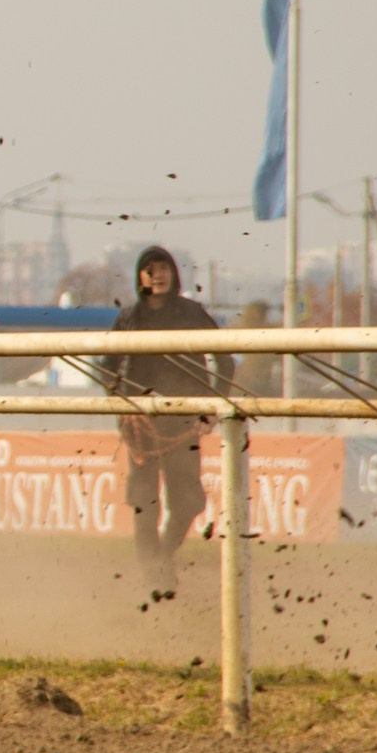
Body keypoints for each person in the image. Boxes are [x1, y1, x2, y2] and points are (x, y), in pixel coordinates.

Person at [95, 245, 235, 598]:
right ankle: (152, 576)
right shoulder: (128, 318)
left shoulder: (192, 312)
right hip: (141, 425)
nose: (157, 275)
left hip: (183, 422)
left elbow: (225, 360)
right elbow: (106, 369)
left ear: (173, 274)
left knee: (187, 500)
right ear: (140, 277)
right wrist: (122, 407)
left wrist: (210, 408)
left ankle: (161, 558)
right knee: (144, 503)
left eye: (163, 268)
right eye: (150, 269)